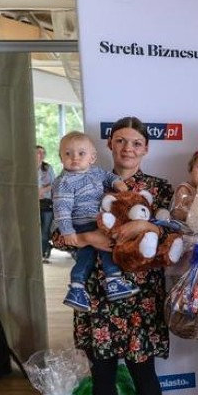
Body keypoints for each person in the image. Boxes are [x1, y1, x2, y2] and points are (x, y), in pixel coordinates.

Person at [52, 116, 174, 395]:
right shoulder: (84, 177)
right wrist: (89, 239)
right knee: (102, 374)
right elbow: (59, 235)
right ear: (109, 146)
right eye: (121, 141)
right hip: (96, 293)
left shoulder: (160, 188)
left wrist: (144, 228)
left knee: (144, 373)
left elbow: (173, 235)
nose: (128, 149)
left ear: (146, 148)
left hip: (141, 295)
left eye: (136, 143)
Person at [52, 131, 136, 312]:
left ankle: (77, 288)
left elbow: (108, 177)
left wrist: (117, 182)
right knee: (105, 248)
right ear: (60, 157)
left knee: (87, 256)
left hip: (97, 221)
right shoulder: (64, 182)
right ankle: (111, 281)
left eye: (81, 153)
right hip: (82, 224)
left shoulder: (96, 172)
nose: (74, 158)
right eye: (68, 153)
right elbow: (61, 209)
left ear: (92, 157)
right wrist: (67, 231)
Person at [37, 145, 56, 264]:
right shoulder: (25, 168)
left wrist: (42, 191)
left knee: (45, 230)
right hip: (31, 203)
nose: (40, 154)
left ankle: (44, 252)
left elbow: (54, 183)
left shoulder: (48, 168)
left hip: (46, 203)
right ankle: (43, 249)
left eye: (43, 152)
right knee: (36, 230)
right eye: (38, 152)